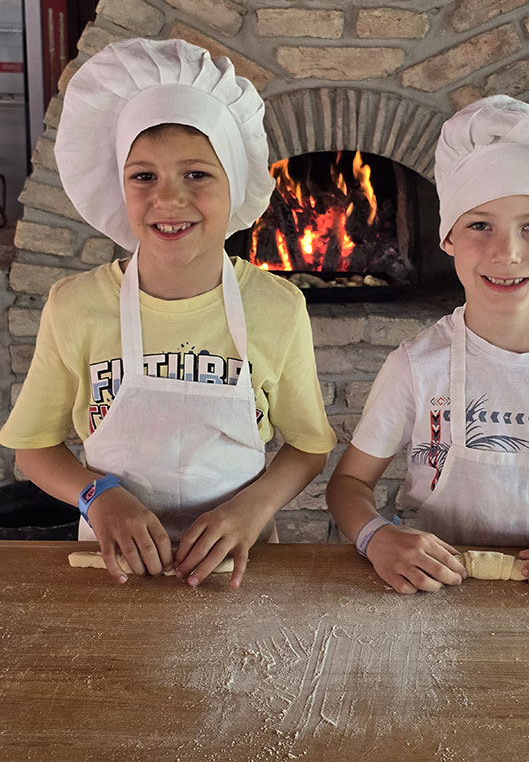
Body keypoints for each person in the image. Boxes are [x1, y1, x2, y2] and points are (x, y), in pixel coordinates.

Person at [0, 38, 335, 588]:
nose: (169, 199)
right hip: (114, 571)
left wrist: (250, 510)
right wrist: (97, 496)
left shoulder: (276, 307)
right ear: (120, 186)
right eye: (144, 176)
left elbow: (308, 446)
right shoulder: (76, 306)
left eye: (197, 174)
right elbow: (33, 446)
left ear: (235, 184)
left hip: (236, 575)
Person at [326, 95, 529, 598]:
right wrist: (377, 537)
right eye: (479, 225)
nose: (506, 252)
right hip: (439, 591)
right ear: (448, 240)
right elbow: (348, 485)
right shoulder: (417, 365)